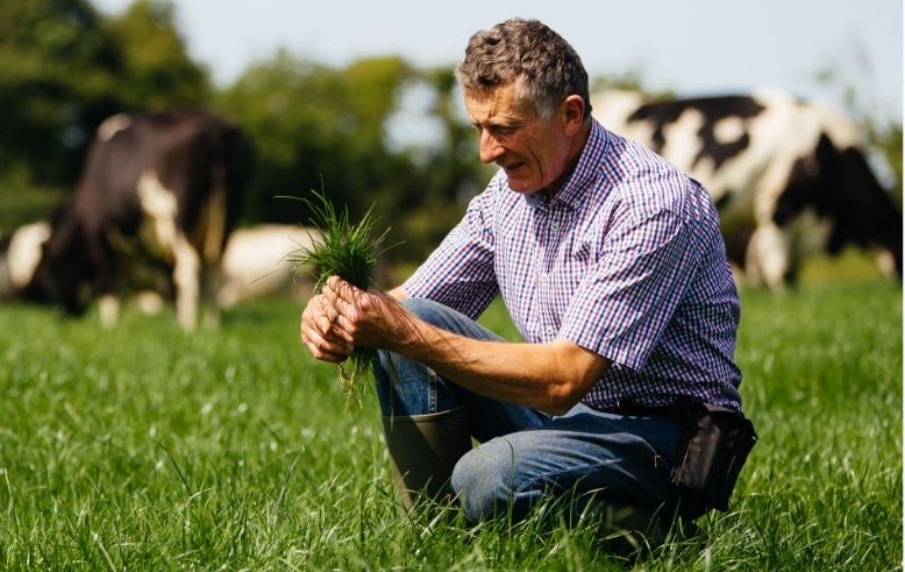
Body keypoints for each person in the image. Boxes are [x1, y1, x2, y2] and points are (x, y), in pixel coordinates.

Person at [299, 18, 753, 531]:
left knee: (485, 475)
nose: (487, 152)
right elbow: (405, 305)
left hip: (661, 438)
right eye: (478, 129)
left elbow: (565, 379)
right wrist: (340, 313)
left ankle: (660, 532)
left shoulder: (651, 204)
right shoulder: (505, 196)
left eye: (505, 129)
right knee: (404, 323)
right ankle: (431, 541)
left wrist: (401, 329)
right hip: (565, 419)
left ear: (570, 115)